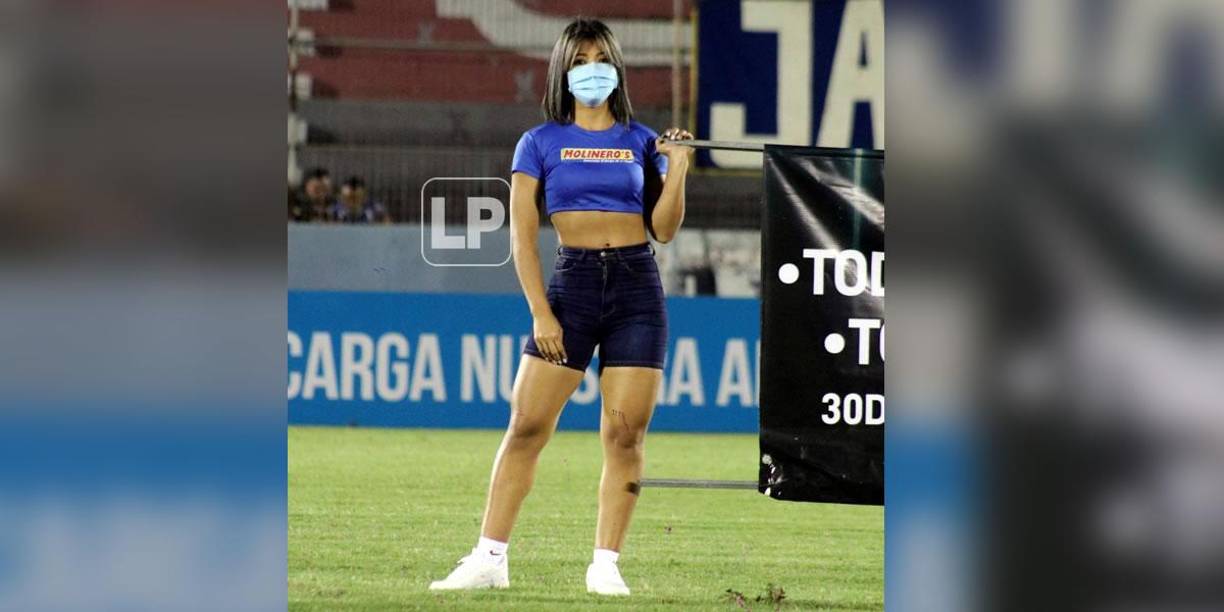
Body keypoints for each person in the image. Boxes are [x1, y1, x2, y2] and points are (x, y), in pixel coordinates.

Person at [429, 18, 694, 597]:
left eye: (601, 56)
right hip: (570, 289)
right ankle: (489, 558)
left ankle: (605, 564)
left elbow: (665, 230)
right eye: (580, 58)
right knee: (526, 425)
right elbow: (522, 240)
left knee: (624, 436)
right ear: (563, 70)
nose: (592, 67)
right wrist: (540, 314)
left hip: (636, 288)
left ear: (616, 66)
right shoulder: (538, 142)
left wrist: (677, 172)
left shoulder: (643, 141)